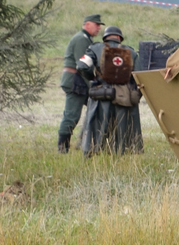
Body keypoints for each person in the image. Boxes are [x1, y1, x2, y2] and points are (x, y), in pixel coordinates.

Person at [77, 25, 143, 157]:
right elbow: (140, 75)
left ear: (105, 37)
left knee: (95, 128)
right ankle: (120, 156)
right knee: (123, 132)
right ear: (119, 38)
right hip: (123, 99)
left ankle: (92, 154)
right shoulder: (132, 52)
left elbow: (82, 66)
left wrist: (93, 78)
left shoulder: (94, 48)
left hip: (101, 95)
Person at [58, 13, 104, 153]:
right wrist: (93, 86)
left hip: (78, 81)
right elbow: (83, 66)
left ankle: (83, 142)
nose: (98, 28)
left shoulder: (85, 39)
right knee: (72, 115)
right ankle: (62, 148)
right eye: (96, 25)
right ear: (87, 24)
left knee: (94, 110)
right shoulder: (81, 39)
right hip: (75, 82)